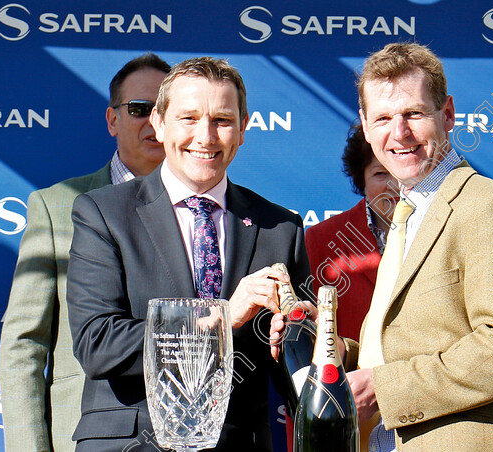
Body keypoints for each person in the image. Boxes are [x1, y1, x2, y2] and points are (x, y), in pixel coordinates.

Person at [273, 42, 493, 451]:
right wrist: (324, 346)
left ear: (448, 114)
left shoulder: (492, 206)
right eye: (383, 118)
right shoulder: (406, 214)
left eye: (413, 114)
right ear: (366, 127)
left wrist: (382, 389)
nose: (399, 133)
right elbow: (399, 348)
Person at [66, 56, 310, 452]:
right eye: (189, 119)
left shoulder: (280, 228)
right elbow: (99, 343)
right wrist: (220, 318)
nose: (206, 136)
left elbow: (297, 378)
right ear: (160, 124)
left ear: (243, 128)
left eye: (222, 120)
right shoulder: (103, 214)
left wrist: (302, 336)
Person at [0, 53, 171, 452]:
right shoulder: (56, 206)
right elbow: (24, 344)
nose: (153, 121)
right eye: (140, 109)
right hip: (82, 435)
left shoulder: (212, 211)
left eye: (165, 110)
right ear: (113, 120)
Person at [304, 122, 398, 341]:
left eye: (400, 172)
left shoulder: (443, 229)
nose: (394, 185)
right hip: (348, 372)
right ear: (361, 179)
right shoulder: (322, 239)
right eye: (381, 173)